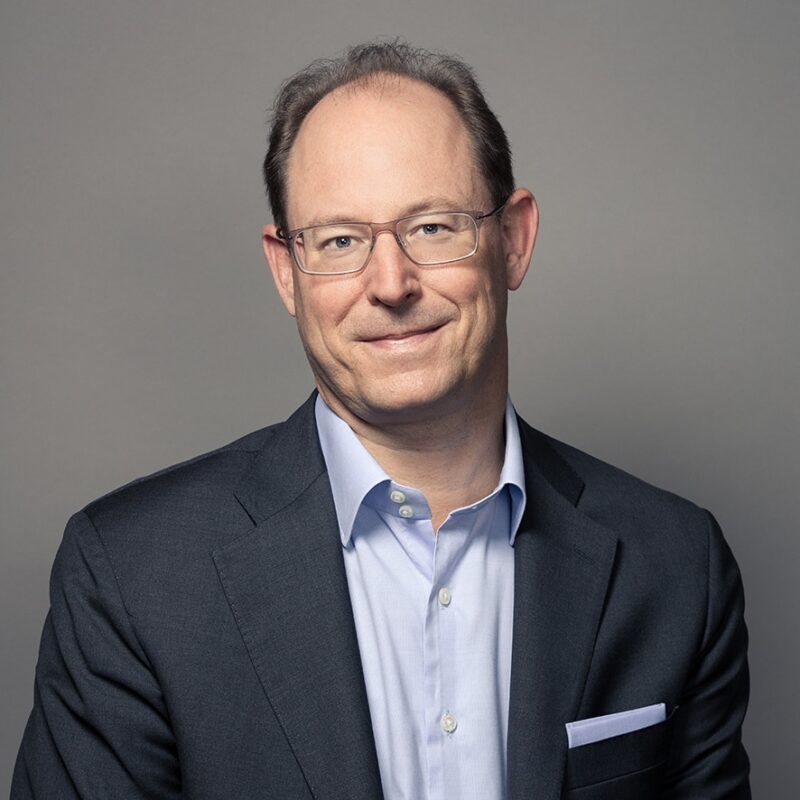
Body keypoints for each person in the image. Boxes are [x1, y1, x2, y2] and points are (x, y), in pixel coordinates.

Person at [12, 41, 750, 800]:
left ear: (514, 239)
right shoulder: (132, 577)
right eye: (340, 241)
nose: (391, 284)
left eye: (433, 227)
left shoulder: (676, 565)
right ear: (286, 272)